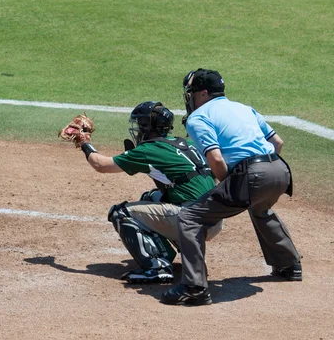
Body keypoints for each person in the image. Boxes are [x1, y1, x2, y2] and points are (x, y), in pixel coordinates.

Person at [161, 68, 301, 306]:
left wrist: (232, 185)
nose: (191, 97)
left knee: (189, 217)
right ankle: (289, 264)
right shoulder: (244, 108)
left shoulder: (199, 117)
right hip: (280, 170)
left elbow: (215, 159)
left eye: (192, 92)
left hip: (252, 175)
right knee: (260, 208)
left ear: (203, 93)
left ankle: (194, 287)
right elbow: (277, 142)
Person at [72, 101, 223, 283]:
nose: (136, 129)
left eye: (139, 124)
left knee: (121, 213)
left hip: (190, 222)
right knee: (150, 198)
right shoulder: (186, 143)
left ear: (146, 126)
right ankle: (187, 253)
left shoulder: (149, 149)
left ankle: (157, 267)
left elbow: (100, 164)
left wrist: (85, 143)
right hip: (213, 220)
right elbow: (177, 182)